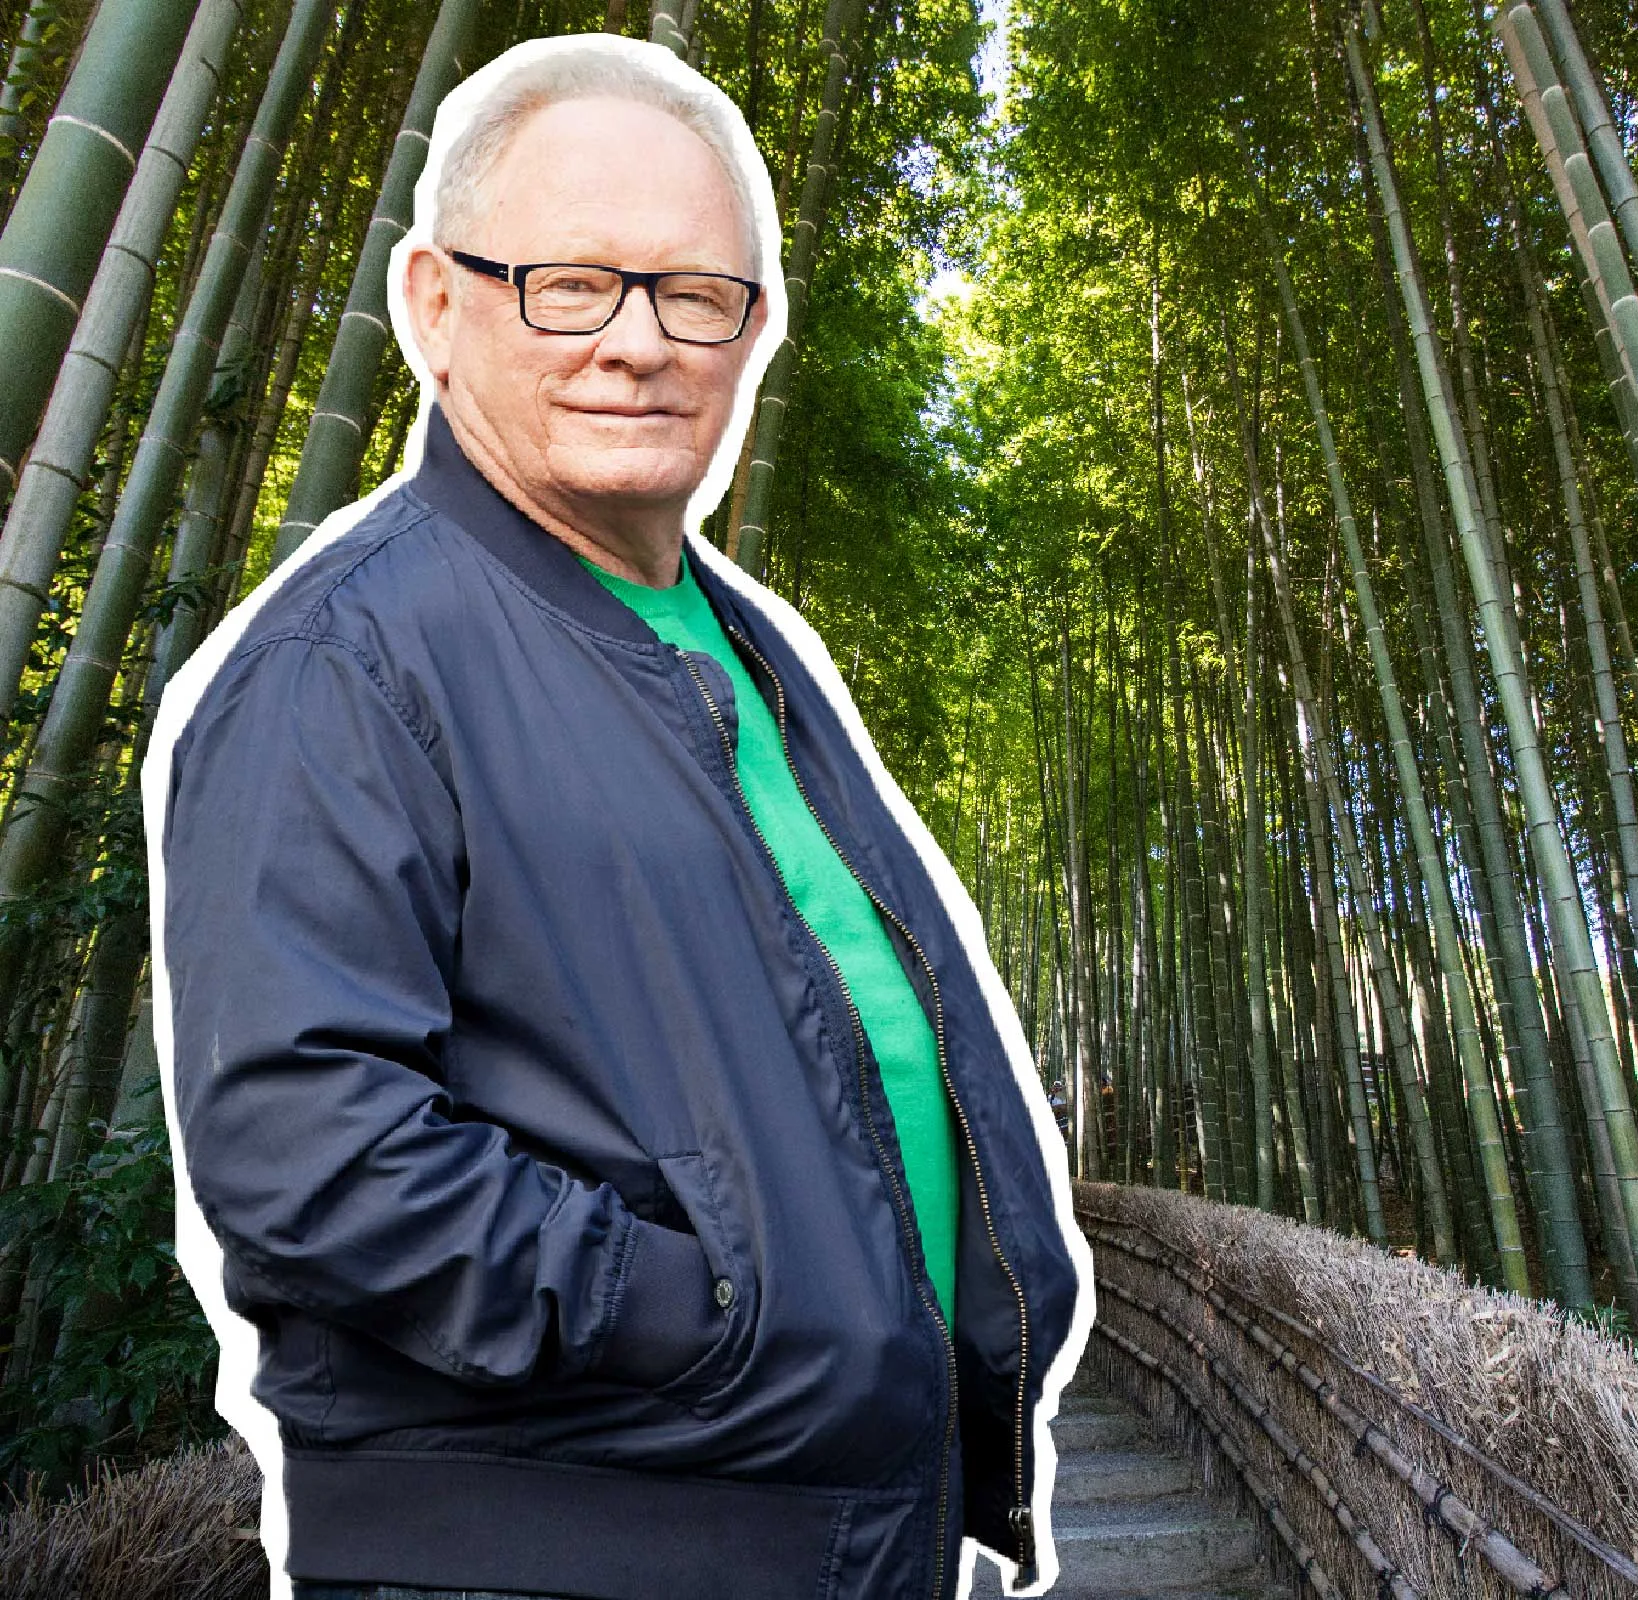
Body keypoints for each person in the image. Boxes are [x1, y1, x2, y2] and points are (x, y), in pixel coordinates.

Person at [144, 35, 1091, 1600]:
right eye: (568, 285)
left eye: (692, 294)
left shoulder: (745, 650)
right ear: (438, 307)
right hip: (577, 1547)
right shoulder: (354, 658)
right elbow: (305, 1148)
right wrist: (705, 1308)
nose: (638, 343)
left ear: (754, 333)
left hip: (838, 1538)